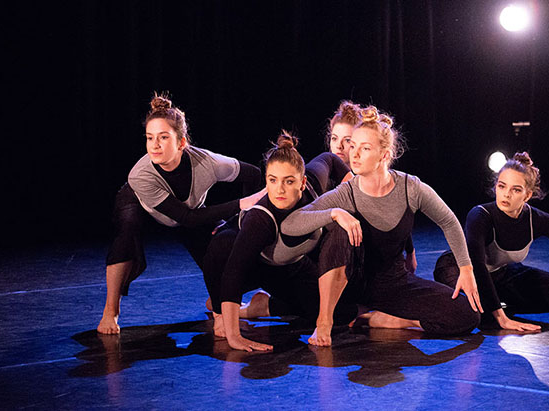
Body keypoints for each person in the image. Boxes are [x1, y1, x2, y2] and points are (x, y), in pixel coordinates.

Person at [282, 105, 482, 346]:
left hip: (392, 284)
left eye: (364, 148)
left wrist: (466, 269)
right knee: (340, 231)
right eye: (352, 146)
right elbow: (290, 225)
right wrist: (334, 214)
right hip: (350, 284)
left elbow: (448, 221)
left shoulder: (411, 188)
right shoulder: (347, 193)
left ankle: (392, 320)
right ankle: (325, 322)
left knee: (467, 315)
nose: (354, 154)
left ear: (384, 155)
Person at [97, 92, 265, 335]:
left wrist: (242, 222)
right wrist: (240, 205)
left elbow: (252, 174)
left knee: (219, 247)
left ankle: (218, 309)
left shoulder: (207, 163)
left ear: (181, 142)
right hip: (140, 205)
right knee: (126, 231)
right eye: (149, 138)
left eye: (163, 137)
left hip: (187, 212)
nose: (154, 145)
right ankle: (110, 311)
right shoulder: (140, 175)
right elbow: (185, 218)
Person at [433, 152, 549, 332]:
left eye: (516, 190)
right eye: (501, 186)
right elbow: (477, 266)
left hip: (500, 274)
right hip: (459, 270)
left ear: (527, 195)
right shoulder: (480, 215)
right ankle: (493, 305)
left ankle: (494, 301)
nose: (506, 194)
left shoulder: (536, 219)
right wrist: (502, 318)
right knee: (474, 314)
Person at [202, 132, 356, 351]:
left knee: (342, 313)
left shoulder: (313, 183)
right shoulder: (260, 219)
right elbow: (233, 272)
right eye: (272, 180)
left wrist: (351, 186)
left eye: (289, 181)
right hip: (246, 264)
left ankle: (260, 306)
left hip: (289, 263)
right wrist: (234, 335)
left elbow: (330, 159)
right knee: (221, 245)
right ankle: (220, 312)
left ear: (303, 183)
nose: (280, 190)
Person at [326, 100, 417, 272]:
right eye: (334, 138)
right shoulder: (325, 176)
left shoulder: (369, 176)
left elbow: (395, 209)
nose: (339, 146)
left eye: (348, 140)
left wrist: (410, 252)